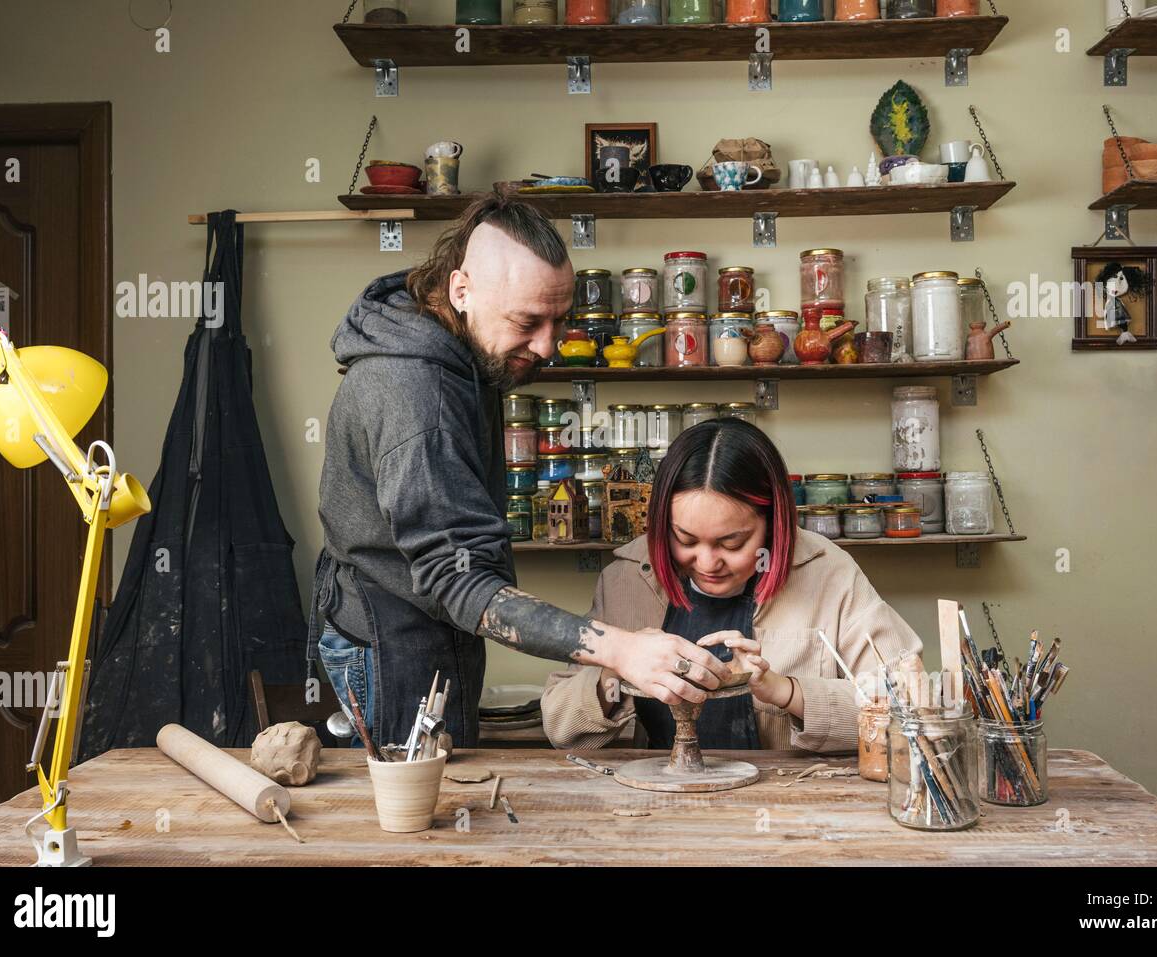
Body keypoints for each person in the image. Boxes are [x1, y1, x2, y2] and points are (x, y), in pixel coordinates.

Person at [311, 196, 729, 752]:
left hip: (416, 621)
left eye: (560, 321)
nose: (548, 346)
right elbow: (456, 580)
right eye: (527, 322)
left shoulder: (452, 345)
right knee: (412, 820)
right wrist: (621, 649)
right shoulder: (418, 399)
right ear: (461, 290)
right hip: (391, 636)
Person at [541, 418, 925, 754]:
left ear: (774, 522)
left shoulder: (827, 572)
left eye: (732, 543)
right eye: (685, 540)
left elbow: (912, 705)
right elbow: (561, 727)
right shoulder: (629, 577)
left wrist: (786, 691)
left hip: (791, 810)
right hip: (660, 804)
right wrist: (620, 669)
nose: (708, 563)